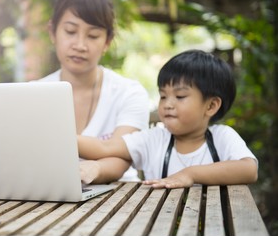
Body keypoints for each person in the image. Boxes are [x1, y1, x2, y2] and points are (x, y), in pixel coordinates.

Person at [78, 49, 258, 188]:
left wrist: (190, 174)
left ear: (211, 106)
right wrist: (62, 137)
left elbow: (249, 169)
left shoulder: (222, 137)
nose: (167, 104)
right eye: (163, 96)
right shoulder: (154, 139)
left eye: (180, 96)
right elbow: (105, 147)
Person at [39, 0, 150, 181]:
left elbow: (124, 155)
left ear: (107, 41)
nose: (80, 45)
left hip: (122, 198)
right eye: (70, 31)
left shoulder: (128, 93)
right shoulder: (34, 94)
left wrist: (96, 168)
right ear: (52, 32)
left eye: (93, 36)